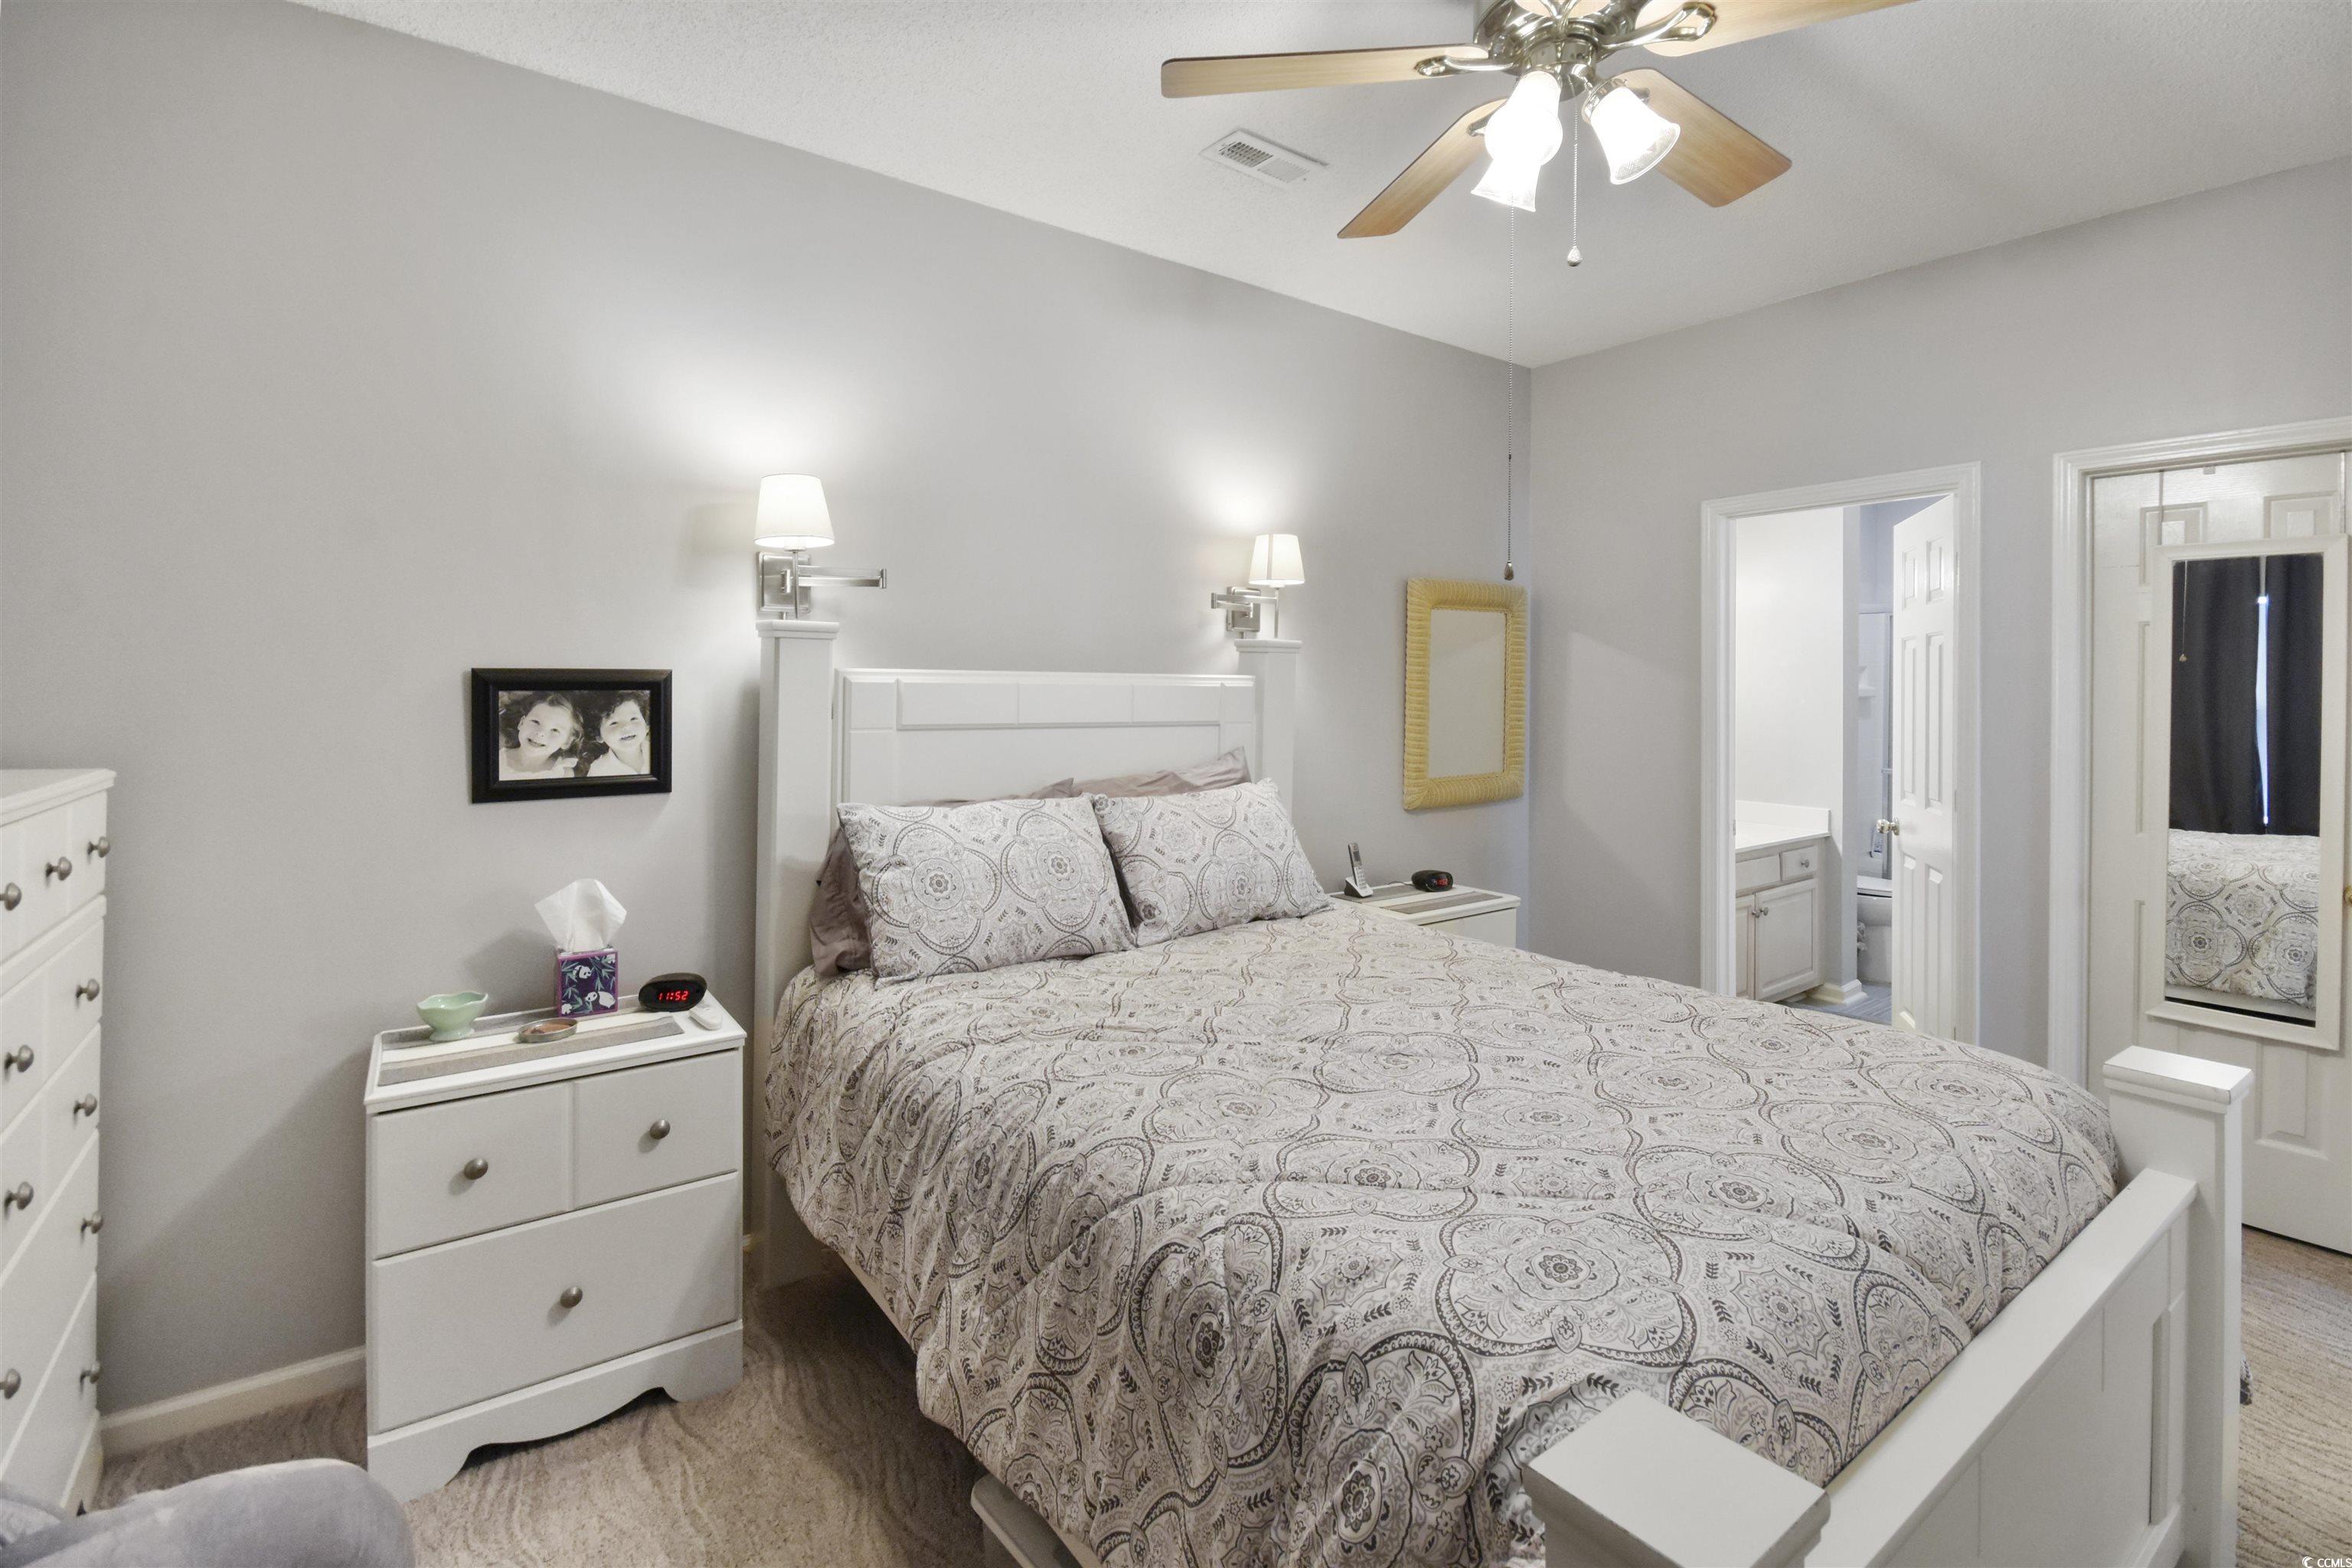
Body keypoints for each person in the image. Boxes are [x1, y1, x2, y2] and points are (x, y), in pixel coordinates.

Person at [498, 691, 583, 779]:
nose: (541, 733)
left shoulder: (563, 773)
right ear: (522, 723)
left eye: (555, 730)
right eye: (536, 722)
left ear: (567, 741)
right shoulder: (497, 757)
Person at [585, 694, 652, 776]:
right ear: (599, 735)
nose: (626, 727)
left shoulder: (663, 751)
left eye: (634, 719)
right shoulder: (598, 770)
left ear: (646, 726)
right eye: (614, 723)